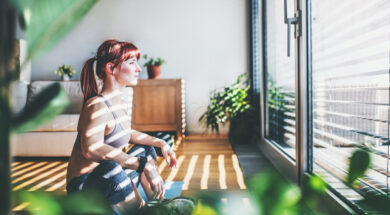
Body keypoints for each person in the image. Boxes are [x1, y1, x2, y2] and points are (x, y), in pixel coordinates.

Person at [66, 39, 177, 213]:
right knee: (112, 167)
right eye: (132, 63)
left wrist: (160, 143)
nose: (138, 69)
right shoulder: (96, 105)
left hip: (110, 182)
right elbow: (91, 148)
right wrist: (142, 165)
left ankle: (158, 205)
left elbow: (126, 133)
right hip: (85, 189)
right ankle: (143, 211)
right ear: (111, 68)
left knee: (145, 149)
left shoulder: (120, 102)